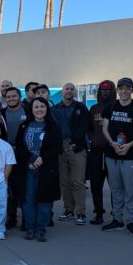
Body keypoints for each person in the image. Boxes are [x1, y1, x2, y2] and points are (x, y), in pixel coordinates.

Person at [99, 77, 133, 236]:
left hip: (130, 155)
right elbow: (105, 128)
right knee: (115, 189)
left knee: (130, 190)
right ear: (117, 90)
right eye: (121, 88)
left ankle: (131, 221)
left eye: (127, 88)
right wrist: (113, 143)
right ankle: (117, 220)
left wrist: (129, 145)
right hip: (112, 154)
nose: (124, 91)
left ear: (132, 90)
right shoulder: (110, 106)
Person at [13, 98, 62, 242]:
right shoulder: (24, 125)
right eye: (36, 107)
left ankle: (41, 229)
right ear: (31, 109)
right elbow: (19, 145)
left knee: (44, 200)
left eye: (42, 106)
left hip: (46, 169)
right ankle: (30, 228)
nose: (39, 109)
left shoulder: (53, 126)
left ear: (46, 108)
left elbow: (57, 147)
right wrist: (31, 159)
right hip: (28, 168)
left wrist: (42, 158)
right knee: (28, 199)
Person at [52, 82, 91, 225]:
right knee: (64, 183)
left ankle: (80, 212)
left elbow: (84, 127)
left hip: (77, 149)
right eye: (66, 89)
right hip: (60, 150)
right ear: (62, 92)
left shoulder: (81, 108)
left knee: (78, 182)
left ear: (74, 93)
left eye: (71, 89)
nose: (69, 91)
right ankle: (68, 210)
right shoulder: (54, 109)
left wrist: (73, 142)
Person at [87, 80, 116, 225]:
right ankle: (98, 212)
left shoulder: (117, 107)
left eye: (108, 90)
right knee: (95, 184)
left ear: (113, 92)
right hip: (96, 152)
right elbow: (89, 128)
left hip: (113, 151)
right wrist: (93, 139)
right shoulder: (94, 109)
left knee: (115, 184)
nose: (105, 93)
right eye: (102, 90)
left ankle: (116, 213)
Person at [1, 86, 29, 229]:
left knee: (23, 188)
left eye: (14, 96)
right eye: (9, 97)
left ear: (19, 97)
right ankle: (11, 217)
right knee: (10, 188)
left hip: (24, 155)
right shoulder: (2, 114)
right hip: (7, 155)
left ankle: (26, 218)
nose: (11, 99)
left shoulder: (27, 112)